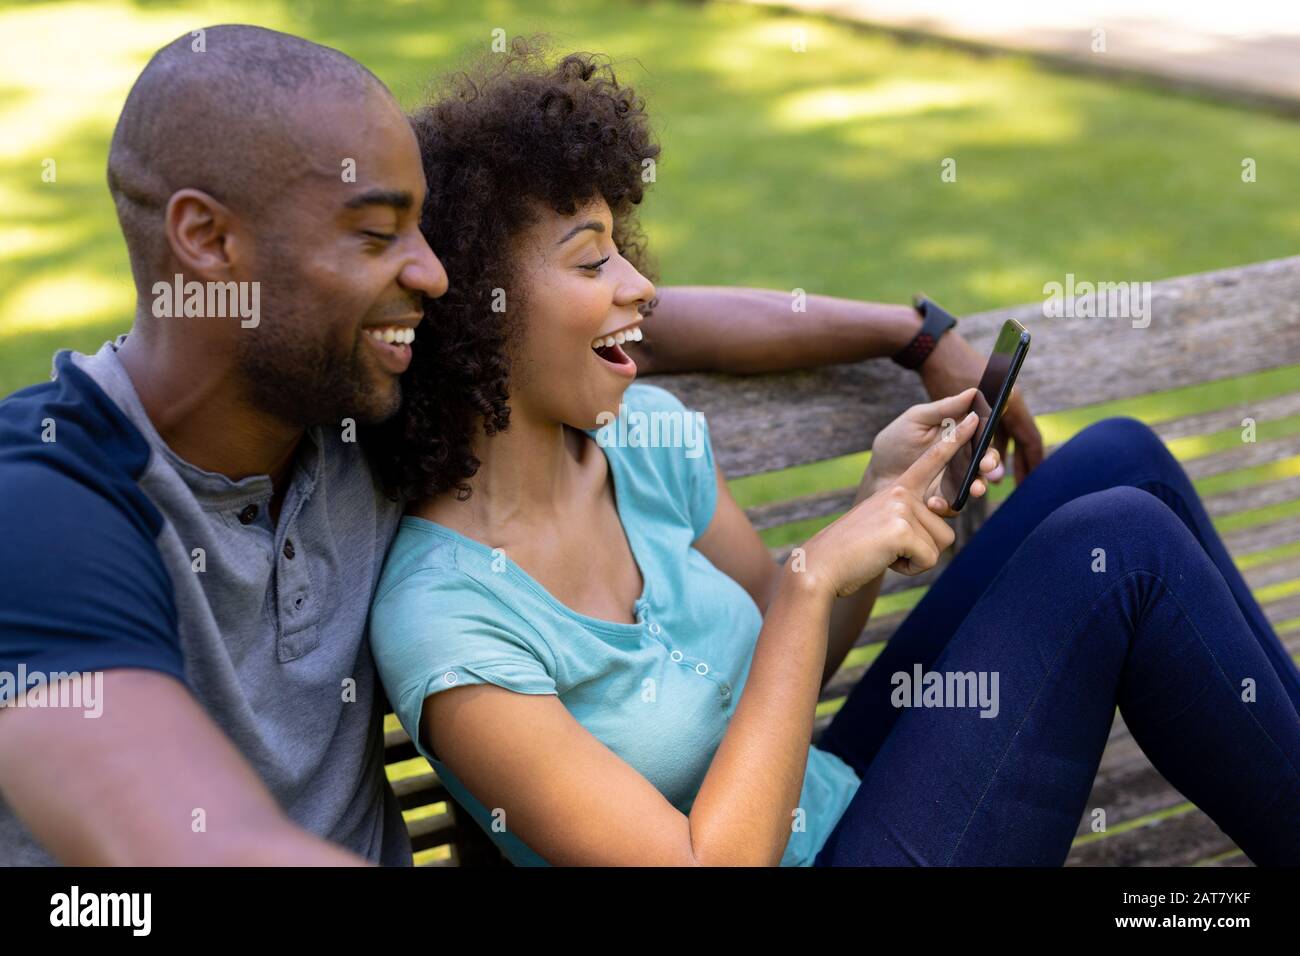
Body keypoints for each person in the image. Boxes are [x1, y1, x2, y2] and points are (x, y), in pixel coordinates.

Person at [0, 26, 1029, 865]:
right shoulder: (45, 505)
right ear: (207, 241)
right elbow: (191, 845)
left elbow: (593, 319)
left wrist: (912, 334)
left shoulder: (353, 406)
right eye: (377, 236)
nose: (436, 279)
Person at [365, 42, 1300, 866]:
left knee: (1116, 461)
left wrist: (880, 500)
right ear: (477, 316)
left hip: (835, 802)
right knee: (1120, 549)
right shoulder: (447, 623)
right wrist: (814, 577)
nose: (642, 287)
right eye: (591, 261)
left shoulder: (640, 438)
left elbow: (787, 649)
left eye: (624, 249)